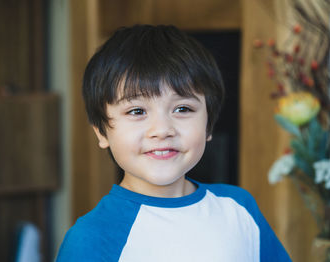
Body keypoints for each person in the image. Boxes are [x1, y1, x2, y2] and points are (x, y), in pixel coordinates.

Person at [56, 24, 291, 261]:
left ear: (208, 125)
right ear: (102, 133)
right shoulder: (91, 238)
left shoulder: (238, 208)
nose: (162, 130)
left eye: (182, 108)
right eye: (137, 111)